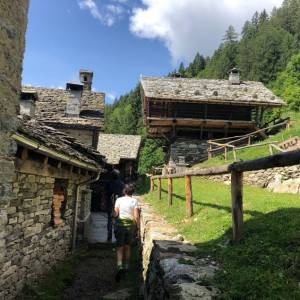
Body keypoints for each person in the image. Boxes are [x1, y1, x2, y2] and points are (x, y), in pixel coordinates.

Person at [113, 183, 139, 281]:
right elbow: (136, 216)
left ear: (124, 191)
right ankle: (127, 267)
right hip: (130, 227)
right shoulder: (134, 201)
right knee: (128, 247)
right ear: (133, 192)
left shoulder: (118, 200)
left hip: (120, 226)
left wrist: (113, 213)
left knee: (120, 247)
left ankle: (119, 266)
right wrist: (138, 227)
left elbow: (116, 214)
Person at [106, 169, 124, 242]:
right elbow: (123, 194)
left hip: (110, 204)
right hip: (119, 205)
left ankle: (109, 236)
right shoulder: (122, 184)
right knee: (117, 220)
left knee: (110, 220)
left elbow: (105, 193)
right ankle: (117, 236)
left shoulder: (108, 183)